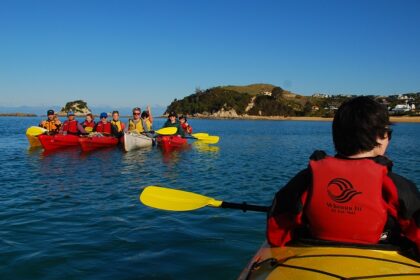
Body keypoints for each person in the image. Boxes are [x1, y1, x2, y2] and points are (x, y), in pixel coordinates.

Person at [267, 96, 419, 256]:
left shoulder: (306, 179)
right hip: (380, 263)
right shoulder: (397, 186)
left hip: (313, 262)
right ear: (381, 137)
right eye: (388, 133)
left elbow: (276, 231)